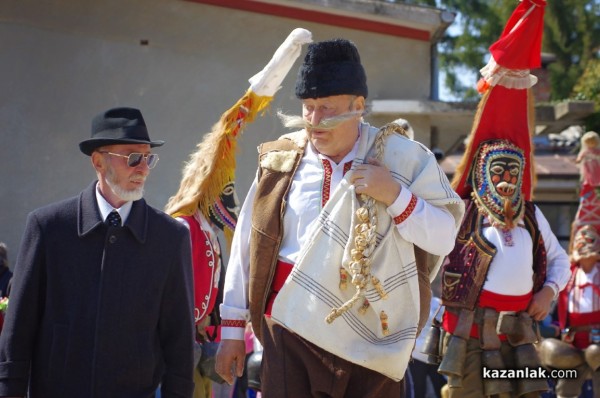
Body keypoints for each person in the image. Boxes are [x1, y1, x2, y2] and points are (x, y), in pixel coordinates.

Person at [215, 37, 464, 397]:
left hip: (374, 339)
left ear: (358, 105)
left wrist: (395, 196)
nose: (315, 121)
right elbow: (246, 246)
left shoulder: (404, 159)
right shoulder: (280, 161)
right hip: (289, 331)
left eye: (327, 108)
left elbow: (444, 237)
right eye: (308, 107)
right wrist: (232, 331)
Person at [0, 107, 195, 397]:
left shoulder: (170, 237)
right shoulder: (48, 228)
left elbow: (179, 342)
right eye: (133, 158)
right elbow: (18, 331)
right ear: (98, 162)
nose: (143, 168)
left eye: (148, 158)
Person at [437, 2, 571, 397]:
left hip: (520, 332)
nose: (507, 179)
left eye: (513, 171)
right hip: (471, 330)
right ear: (480, 171)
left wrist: (548, 292)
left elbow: (559, 260)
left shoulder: (531, 214)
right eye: (497, 171)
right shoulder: (461, 213)